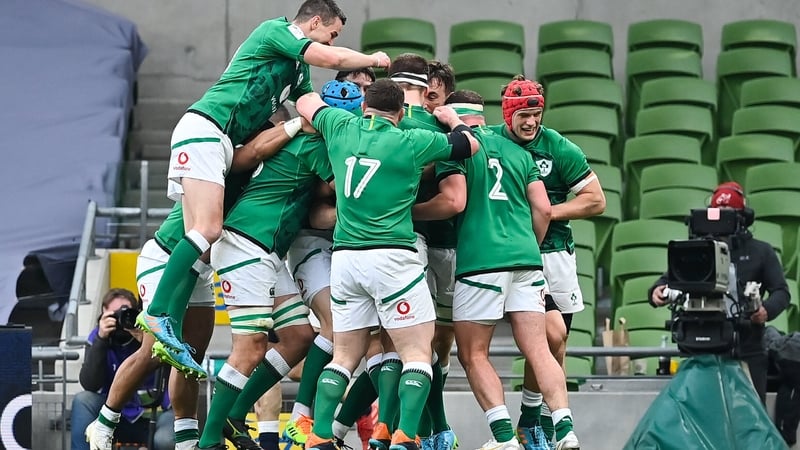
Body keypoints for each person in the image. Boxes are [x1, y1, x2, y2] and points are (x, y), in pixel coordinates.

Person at [137, 0, 390, 377]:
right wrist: (374, 59)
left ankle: (166, 328)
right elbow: (331, 59)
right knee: (207, 229)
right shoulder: (274, 31)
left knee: (202, 245)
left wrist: (338, 125)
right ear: (315, 21)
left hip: (222, 143)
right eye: (333, 33)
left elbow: (309, 106)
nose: (335, 41)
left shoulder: (298, 70)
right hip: (206, 127)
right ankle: (157, 314)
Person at [294, 78, 479, 450]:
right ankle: (405, 435)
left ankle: (319, 435)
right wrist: (450, 118)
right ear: (399, 113)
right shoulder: (409, 140)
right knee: (416, 351)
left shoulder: (340, 126)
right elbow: (468, 145)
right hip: (393, 255)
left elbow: (306, 102)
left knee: (345, 354)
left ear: (364, 106)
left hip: (345, 258)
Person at [198, 81, 364, 450]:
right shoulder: (316, 146)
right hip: (247, 245)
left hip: (267, 250)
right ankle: (208, 439)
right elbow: (352, 187)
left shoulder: (302, 142)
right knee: (250, 347)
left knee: (299, 337)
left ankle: (234, 413)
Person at [413, 90, 580, 450]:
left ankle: (504, 438)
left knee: (474, 354)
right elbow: (545, 210)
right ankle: (565, 429)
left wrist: (408, 213)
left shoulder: (454, 149)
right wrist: (529, 246)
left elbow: (451, 202)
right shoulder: (520, 152)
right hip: (527, 260)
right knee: (538, 350)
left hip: (480, 264)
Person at [488, 75, 605, 447]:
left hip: (553, 254)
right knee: (547, 335)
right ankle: (532, 421)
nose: (531, 122)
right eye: (524, 114)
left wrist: (548, 212)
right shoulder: (492, 142)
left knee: (557, 340)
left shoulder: (558, 147)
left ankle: (532, 420)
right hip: (507, 254)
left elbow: (596, 200)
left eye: (536, 114)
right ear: (508, 114)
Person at [649, 181, 791, 404]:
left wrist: (765, 311)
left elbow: (781, 292)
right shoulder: (697, 250)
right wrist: (656, 292)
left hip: (748, 344)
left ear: (742, 218)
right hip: (702, 342)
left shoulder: (761, 251)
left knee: (751, 413)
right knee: (701, 409)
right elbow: (667, 280)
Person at [74, 288, 174, 450]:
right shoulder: (98, 338)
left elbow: (169, 372)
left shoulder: (151, 335)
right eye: (114, 315)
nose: (121, 320)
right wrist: (101, 340)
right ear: (103, 316)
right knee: (83, 400)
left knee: (166, 440)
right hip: (113, 414)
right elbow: (90, 384)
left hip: (153, 415)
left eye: (126, 313)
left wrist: (145, 342)